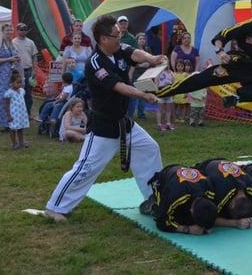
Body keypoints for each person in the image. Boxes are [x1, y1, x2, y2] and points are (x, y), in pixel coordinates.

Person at [44, 15, 166, 222]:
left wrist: (153, 59)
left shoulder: (118, 49)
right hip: (103, 126)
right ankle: (55, 207)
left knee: (149, 148)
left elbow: (134, 53)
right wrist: (143, 94)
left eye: (120, 34)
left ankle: (153, 199)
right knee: (86, 167)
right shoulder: (95, 64)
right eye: (116, 35)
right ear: (103, 39)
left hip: (124, 123)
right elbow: (118, 86)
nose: (120, 38)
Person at [148, 164, 217, 235]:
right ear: (191, 210)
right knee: (168, 215)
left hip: (181, 171)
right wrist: (187, 229)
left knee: (185, 217)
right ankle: (152, 203)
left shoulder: (210, 189)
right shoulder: (175, 195)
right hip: (161, 181)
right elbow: (161, 222)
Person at [194, 158, 252, 230]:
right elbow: (210, 218)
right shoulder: (220, 194)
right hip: (203, 166)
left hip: (223, 161)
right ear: (232, 205)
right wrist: (235, 223)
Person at [0, 24, 21, 135]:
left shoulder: (13, 44)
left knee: (10, 99)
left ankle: (7, 124)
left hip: (11, 77)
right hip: (0, 76)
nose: (9, 33)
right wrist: (9, 59)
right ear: (2, 31)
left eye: (11, 31)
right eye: (7, 30)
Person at [12, 23, 38, 118]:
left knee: (28, 93)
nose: (23, 31)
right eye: (21, 29)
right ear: (17, 30)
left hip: (28, 70)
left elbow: (34, 57)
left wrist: (35, 70)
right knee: (17, 92)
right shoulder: (13, 42)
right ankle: (18, 113)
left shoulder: (30, 42)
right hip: (18, 71)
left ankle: (28, 113)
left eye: (25, 29)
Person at [4, 71, 30, 149]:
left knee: (20, 128)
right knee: (13, 128)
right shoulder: (9, 93)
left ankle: (21, 142)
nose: (19, 84)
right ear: (11, 83)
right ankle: (14, 143)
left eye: (20, 83)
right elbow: (6, 104)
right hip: (13, 114)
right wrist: (8, 115)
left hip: (21, 113)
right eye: (17, 83)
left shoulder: (22, 91)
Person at [128, 32, 150, 120]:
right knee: (134, 96)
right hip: (136, 75)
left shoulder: (147, 50)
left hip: (145, 75)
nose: (142, 40)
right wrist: (141, 65)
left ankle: (141, 114)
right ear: (137, 40)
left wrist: (147, 64)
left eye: (144, 39)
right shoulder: (134, 51)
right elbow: (132, 63)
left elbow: (150, 61)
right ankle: (130, 114)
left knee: (144, 95)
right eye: (140, 39)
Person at [156, 64, 175, 131]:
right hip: (161, 93)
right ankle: (159, 125)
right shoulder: (158, 72)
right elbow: (156, 83)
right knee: (160, 110)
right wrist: (160, 88)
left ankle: (168, 124)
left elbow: (173, 83)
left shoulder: (171, 73)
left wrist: (171, 89)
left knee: (168, 110)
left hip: (169, 94)